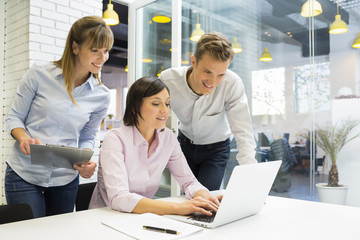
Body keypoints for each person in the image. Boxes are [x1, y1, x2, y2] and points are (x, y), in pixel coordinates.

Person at [4, 16, 114, 218]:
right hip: (24, 175)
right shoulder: (39, 74)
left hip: (65, 180)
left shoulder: (102, 95)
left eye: (106, 50)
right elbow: (14, 117)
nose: (102, 57)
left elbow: (88, 136)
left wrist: (85, 158)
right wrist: (24, 138)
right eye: (95, 50)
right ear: (75, 47)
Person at [89, 77, 221, 216]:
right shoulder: (115, 138)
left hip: (142, 216)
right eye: (156, 104)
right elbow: (119, 198)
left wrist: (204, 197)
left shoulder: (168, 137)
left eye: (167, 103)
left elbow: (189, 181)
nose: (165, 110)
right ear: (134, 107)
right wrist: (178, 208)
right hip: (105, 217)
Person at [159, 32, 257, 191]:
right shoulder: (168, 80)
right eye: (207, 72)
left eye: (220, 75)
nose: (213, 82)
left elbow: (243, 129)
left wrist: (251, 177)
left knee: (206, 199)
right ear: (193, 61)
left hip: (216, 150)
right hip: (184, 145)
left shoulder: (232, 83)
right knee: (190, 197)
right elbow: (156, 117)